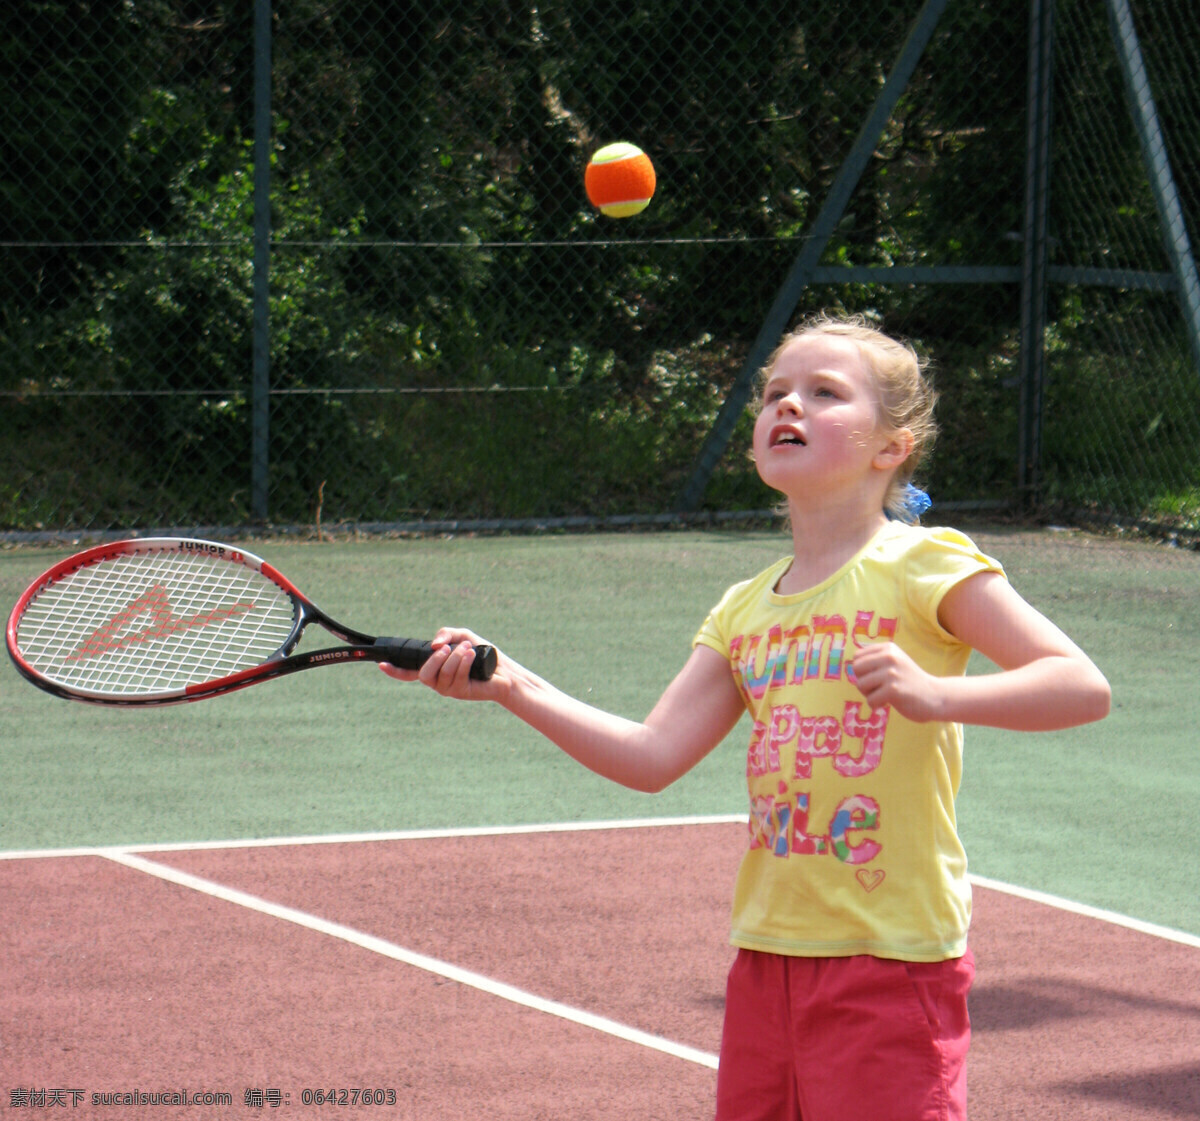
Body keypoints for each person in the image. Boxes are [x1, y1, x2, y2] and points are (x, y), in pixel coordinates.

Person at [381, 313, 1111, 1121]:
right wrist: (513, 683)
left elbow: (1079, 684)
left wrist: (942, 696)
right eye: (774, 393)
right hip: (767, 957)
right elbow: (652, 755)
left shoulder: (923, 563)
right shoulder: (744, 609)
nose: (787, 407)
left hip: (889, 958)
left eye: (824, 393)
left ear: (891, 446)